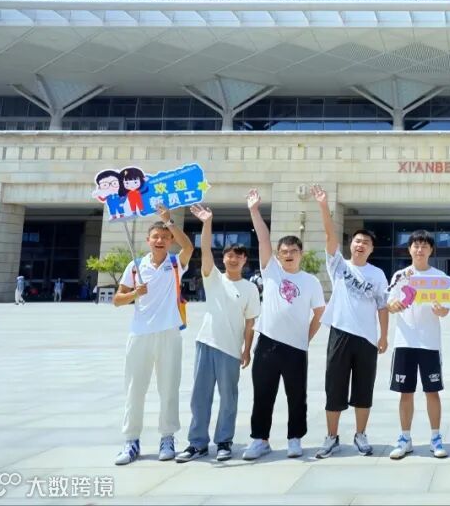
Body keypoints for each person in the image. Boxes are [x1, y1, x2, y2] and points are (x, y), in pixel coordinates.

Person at [242, 189, 326, 461]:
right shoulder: (271, 271)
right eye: (284, 251)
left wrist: (306, 338)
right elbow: (263, 238)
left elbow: (320, 313)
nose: (289, 254)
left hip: (296, 348)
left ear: (301, 254)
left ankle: (294, 438)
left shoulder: (311, 281)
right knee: (263, 393)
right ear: (277, 256)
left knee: (296, 395)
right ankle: (260, 439)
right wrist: (255, 210)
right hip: (267, 342)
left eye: (293, 251)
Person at [176, 205, 260, 463]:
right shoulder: (213, 278)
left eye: (239, 256)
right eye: (229, 256)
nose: (233, 259)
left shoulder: (250, 289)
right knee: (200, 397)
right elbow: (204, 250)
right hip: (206, 343)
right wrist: (207, 222)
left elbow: (250, 322)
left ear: (245, 261)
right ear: (223, 259)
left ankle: (224, 441)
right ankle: (197, 443)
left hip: (231, 350)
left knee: (228, 398)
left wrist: (247, 350)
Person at [112, 205, 195, 465]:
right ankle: (131, 440)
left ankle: (167, 437)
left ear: (170, 241)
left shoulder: (175, 264)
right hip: (140, 334)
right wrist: (135, 293)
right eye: (155, 237)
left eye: (165, 237)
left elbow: (188, 247)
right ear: (148, 240)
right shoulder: (135, 266)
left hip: (169, 333)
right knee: (135, 389)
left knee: (169, 388)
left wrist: (168, 221)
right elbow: (117, 300)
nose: (160, 240)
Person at [311, 184, 390, 458]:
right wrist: (323, 205)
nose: (360, 244)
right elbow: (329, 235)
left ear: (371, 249)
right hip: (340, 334)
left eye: (365, 242)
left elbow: (383, 306)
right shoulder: (339, 266)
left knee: (363, 389)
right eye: (357, 241)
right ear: (351, 245)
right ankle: (331, 436)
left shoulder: (378, 274)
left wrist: (383, 336)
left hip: (367, 338)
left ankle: (360, 434)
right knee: (334, 387)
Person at [385, 230, 450, 460]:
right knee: (405, 392)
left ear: (431, 250)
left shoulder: (439, 278)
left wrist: (441, 310)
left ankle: (435, 438)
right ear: (409, 249)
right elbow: (389, 303)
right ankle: (405, 438)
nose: (420, 249)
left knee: (432, 391)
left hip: (429, 343)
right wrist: (394, 305)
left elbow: (446, 309)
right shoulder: (400, 276)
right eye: (416, 245)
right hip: (405, 342)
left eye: (424, 246)